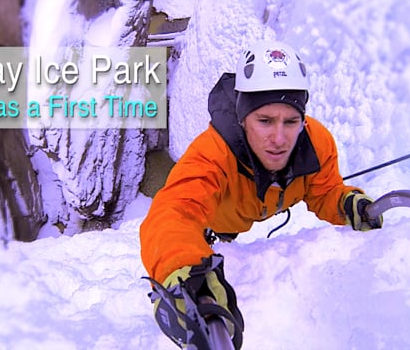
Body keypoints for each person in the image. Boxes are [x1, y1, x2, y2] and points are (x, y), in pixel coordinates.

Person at [139, 39, 383, 348]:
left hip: (248, 214)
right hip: (213, 225)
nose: (279, 138)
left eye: (291, 121)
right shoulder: (213, 152)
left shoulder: (316, 142)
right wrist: (184, 272)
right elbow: (174, 211)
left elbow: (324, 191)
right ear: (243, 119)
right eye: (264, 121)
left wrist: (346, 203)